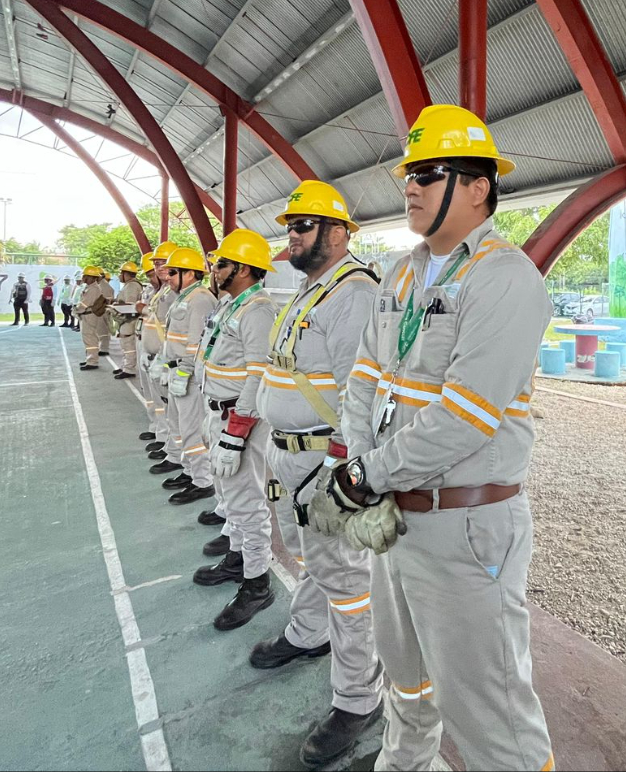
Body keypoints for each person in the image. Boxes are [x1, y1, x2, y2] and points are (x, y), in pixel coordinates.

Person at [322, 106, 556, 772]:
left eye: (427, 172)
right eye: (408, 175)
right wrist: (365, 466)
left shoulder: (505, 278)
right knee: (408, 681)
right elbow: (363, 379)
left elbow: (464, 416)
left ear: (478, 185)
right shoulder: (399, 273)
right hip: (393, 517)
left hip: (465, 524)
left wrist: (367, 475)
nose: (411, 186)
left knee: (491, 711)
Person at [252, 179, 384, 768]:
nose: (293, 237)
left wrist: (338, 471)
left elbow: (362, 395)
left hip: (324, 462)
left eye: (303, 227)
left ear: (338, 232)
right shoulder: (313, 290)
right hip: (292, 456)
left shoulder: (353, 293)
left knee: (348, 581)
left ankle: (359, 697)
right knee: (314, 560)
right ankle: (308, 632)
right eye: (291, 228)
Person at [192, 229, 277, 632]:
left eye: (221, 263)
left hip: (238, 421)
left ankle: (257, 582)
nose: (215, 269)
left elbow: (258, 373)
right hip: (219, 416)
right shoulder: (231, 305)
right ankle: (239, 557)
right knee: (228, 493)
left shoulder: (257, 309)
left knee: (247, 501)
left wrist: (237, 431)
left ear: (243, 269)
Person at [158, 246, 218, 505]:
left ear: (190, 274)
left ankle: (203, 480)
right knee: (180, 426)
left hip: (189, 377)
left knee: (193, 430)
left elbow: (198, 344)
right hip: (177, 372)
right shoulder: (184, 297)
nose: (167, 276)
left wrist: (185, 372)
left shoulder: (201, 299)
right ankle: (190, 470)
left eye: (172, 272)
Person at [141, 243, 182, 473]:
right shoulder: (164, 292)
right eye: (156, 264)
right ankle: (166, 441)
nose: (158, 268)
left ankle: (176, 453)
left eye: (161, 263)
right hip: (156, 355)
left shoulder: (179, 295)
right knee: (161, 404)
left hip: (168, 359)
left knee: (175, 412)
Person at [74, 266, 113, 368]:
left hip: (89, 315)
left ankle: (92, 361)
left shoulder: (93, 289)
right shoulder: (90, 287)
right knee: (88, 338)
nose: (83, 277)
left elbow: (84, 304)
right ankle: (90, 359)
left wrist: (75, 309)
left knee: (90, 338)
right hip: (87, 315)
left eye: (85, 276)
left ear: (91, 277)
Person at [113, 262, 144, 379]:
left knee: (128, 343)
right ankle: (125, 365)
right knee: (125, 344)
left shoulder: (132, 286)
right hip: (126, 319)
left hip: (129, 319)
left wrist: (117, 305)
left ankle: (129, 368)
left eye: (121, 273)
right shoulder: (129, 285)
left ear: (126, 273)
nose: (120, 275)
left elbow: (130, 304)